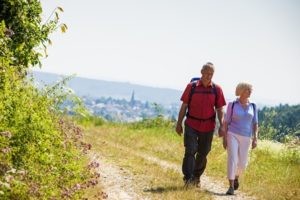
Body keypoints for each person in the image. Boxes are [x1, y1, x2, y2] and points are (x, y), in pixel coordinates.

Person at [175, 62, 226, 188]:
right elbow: (184, 106)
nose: (209, 76)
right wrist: (179, 123)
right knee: (190, 150)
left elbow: (220, 109)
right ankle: (188, 178)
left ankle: (196, 176)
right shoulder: (191, 87)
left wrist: (222, 125)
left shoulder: (217, 89)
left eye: (211, 74)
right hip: (191, 124)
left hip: (208, 126)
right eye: (207, 73)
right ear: (201, 72)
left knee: (203, 152)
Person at [222, 82, 258, 195]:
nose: (250, 91)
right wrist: (224, 137)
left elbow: (255, 123)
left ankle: (236, 176)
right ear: (241, 91)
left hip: (247, 136)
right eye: (248, 89)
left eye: (250, 90)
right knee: (232, 159)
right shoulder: (232, 104)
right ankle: (231, 186)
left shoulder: (253, 105)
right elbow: (226, 121)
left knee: (242, 163)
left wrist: (255, 138)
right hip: (232, 134)